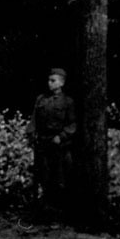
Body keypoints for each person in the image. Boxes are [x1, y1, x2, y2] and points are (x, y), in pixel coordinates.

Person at [26, 67, 76, 214]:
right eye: (49, 80)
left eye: (53, 81)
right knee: (43, 176)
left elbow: (73, 124)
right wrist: (31, 135)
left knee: (61, 177)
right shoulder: (41, 99)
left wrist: (61, 136)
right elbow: (33, 120)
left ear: (62, 83)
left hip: (60, 145)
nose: (49, 83)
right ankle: (43, 209)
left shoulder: (68, 102)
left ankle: (61, 210)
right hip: (42, 143)